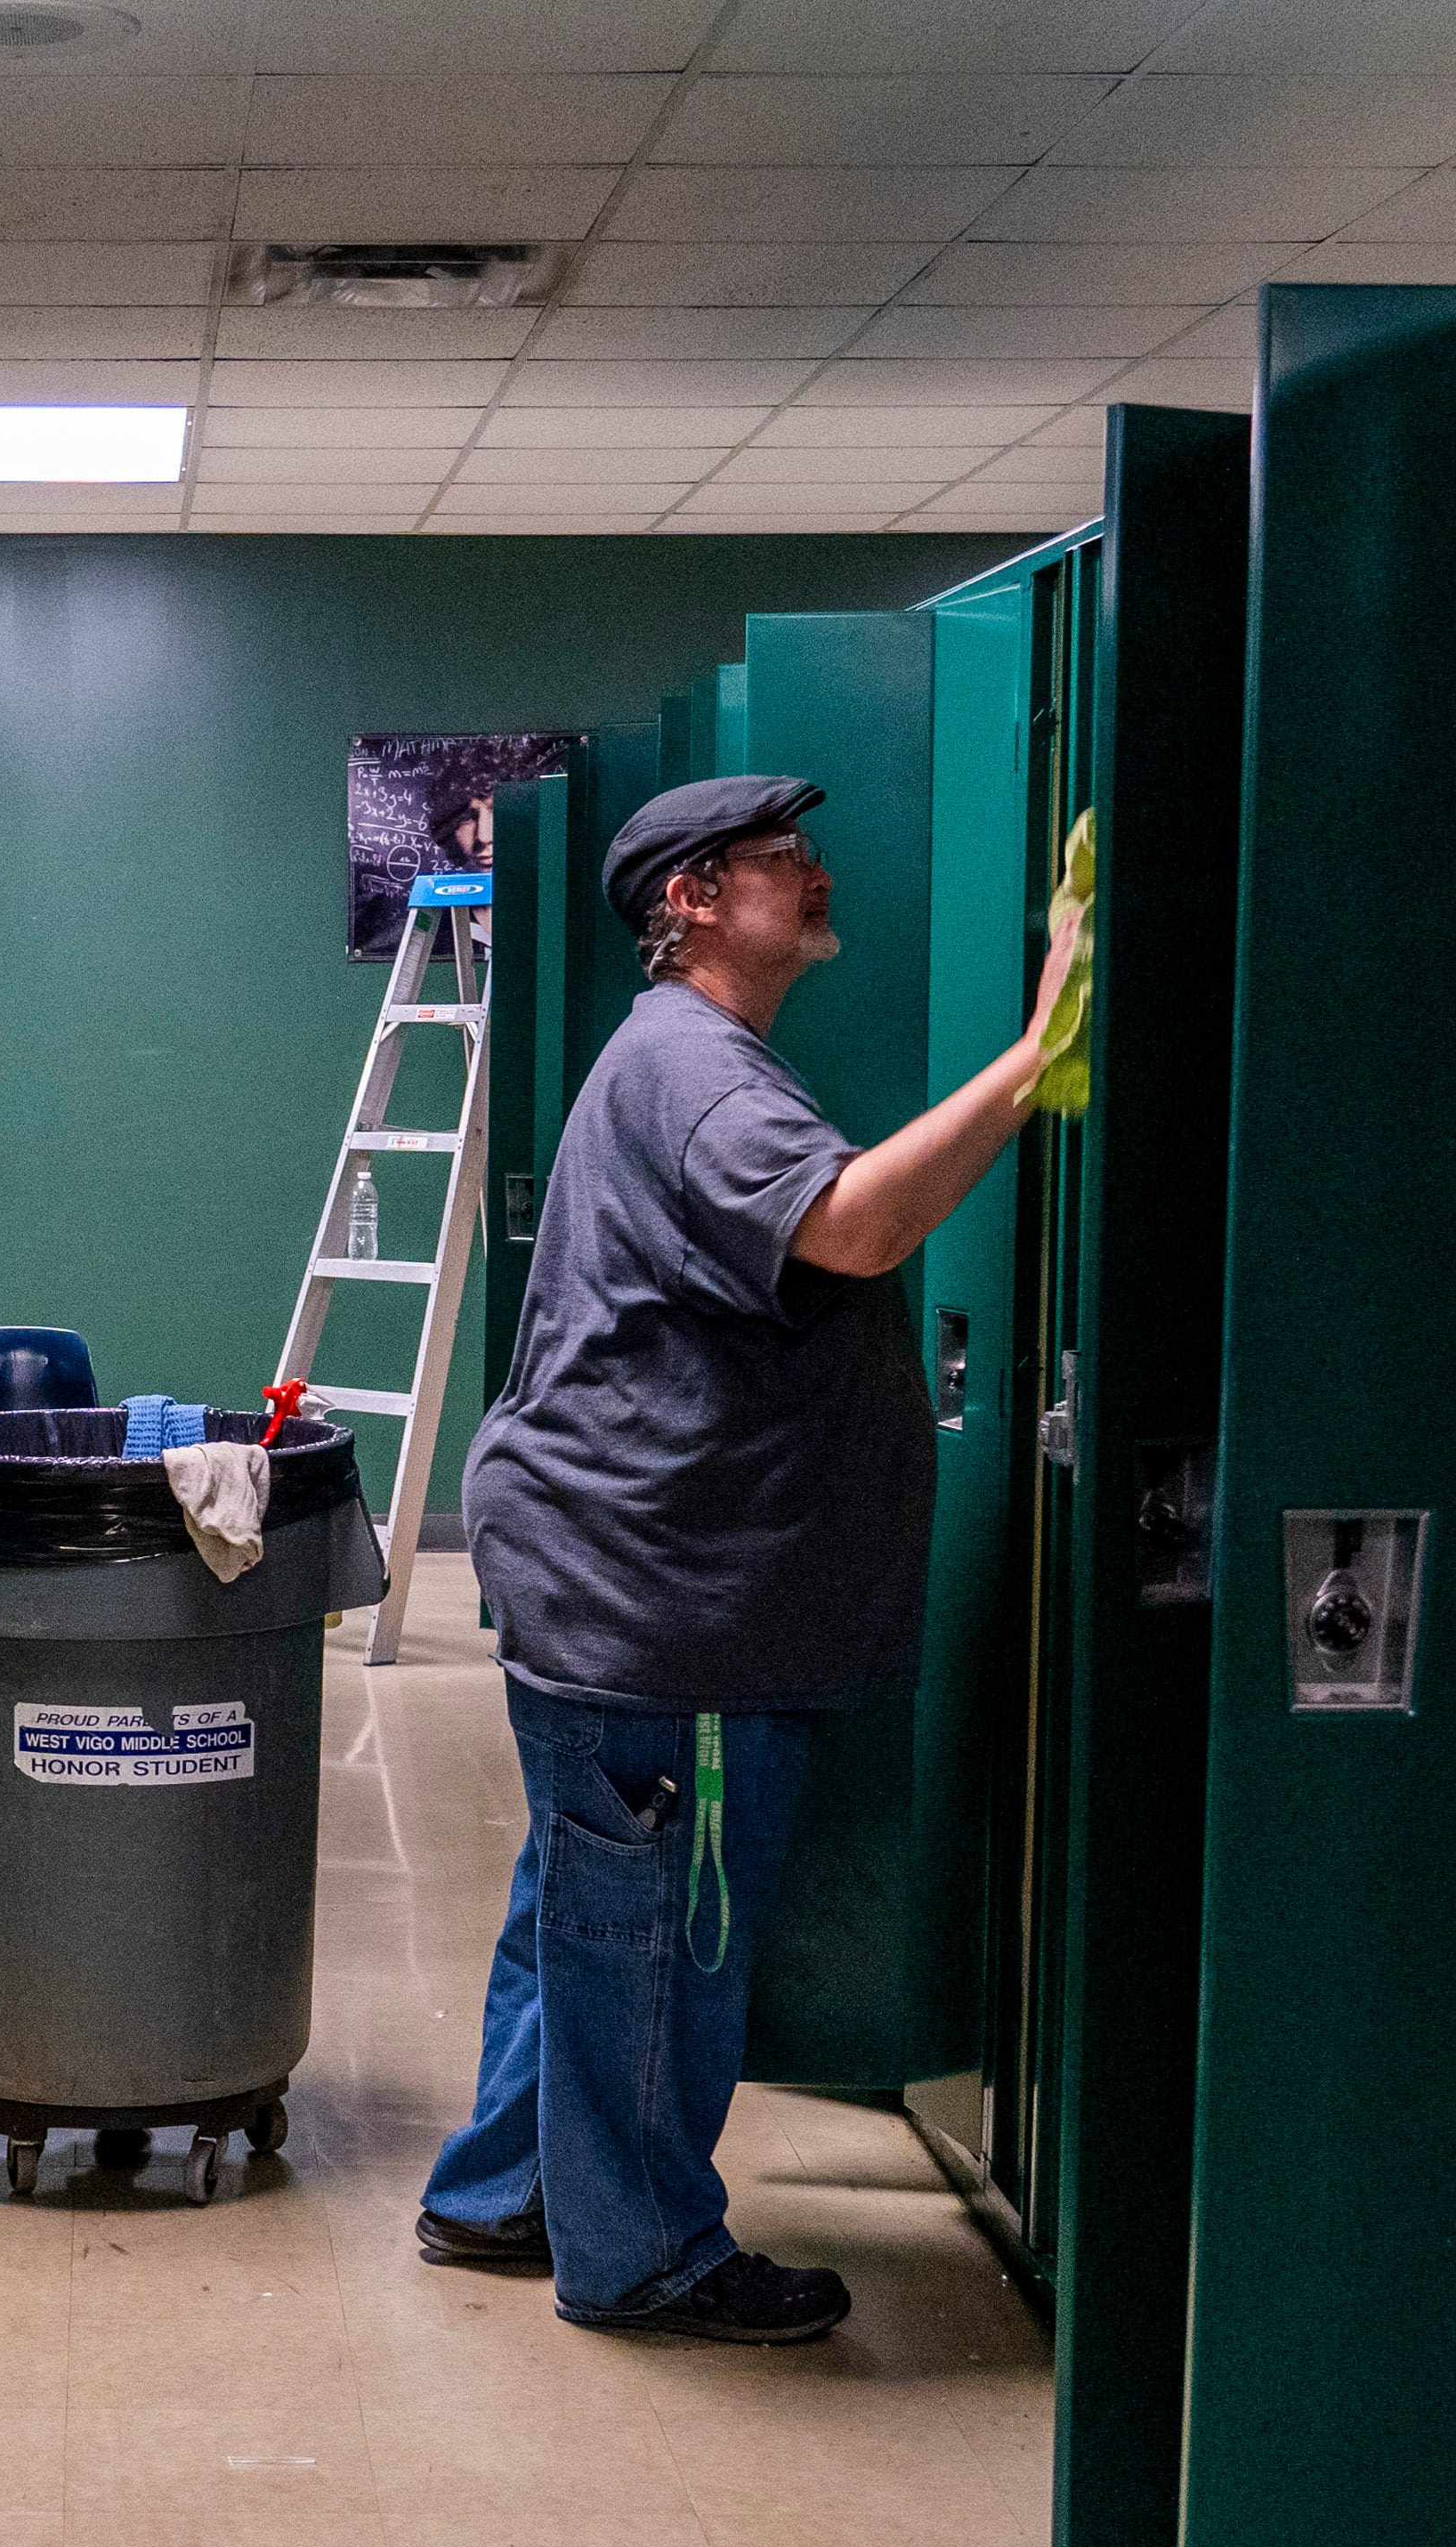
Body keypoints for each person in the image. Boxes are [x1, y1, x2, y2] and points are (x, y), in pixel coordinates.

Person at [424, 775, 1086, 2340]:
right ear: (694, 902)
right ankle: (640, 2255)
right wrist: (1038, 1052)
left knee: (583, 1917)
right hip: (667, 1612)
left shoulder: (685, 1062)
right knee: (660, 1936)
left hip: (625, 1589)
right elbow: (853, 1228)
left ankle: (507, 2192)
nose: (819, 870)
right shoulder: (699, 1074)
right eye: (785, 859)